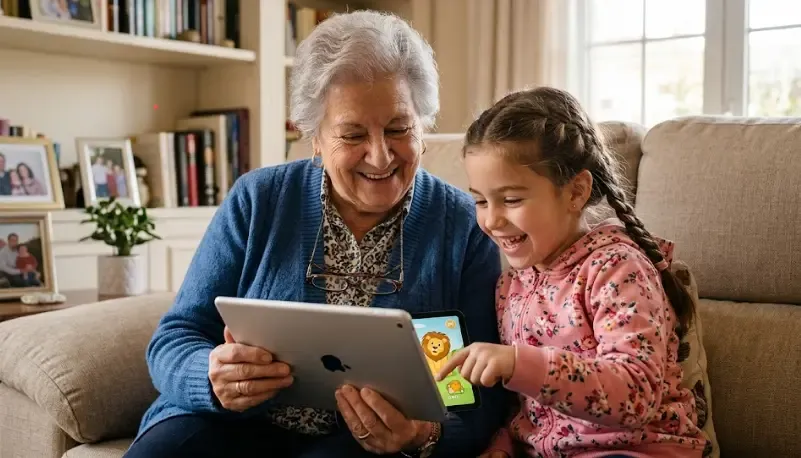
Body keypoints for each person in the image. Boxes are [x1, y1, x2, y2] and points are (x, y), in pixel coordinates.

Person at [125, 10, 506, 458]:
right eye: (352, 134)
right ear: (316, 138)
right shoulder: (259, 198)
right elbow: (177, 335)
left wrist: (421, 435)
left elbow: (483, 396)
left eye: (400, 128)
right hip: (225, 423)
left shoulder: (464, 224)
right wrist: (208, 375)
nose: (381, 156)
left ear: (423, 125)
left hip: (358, 447)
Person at [436, 87, 709, 458]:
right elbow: (525, 408)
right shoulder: (510, 287)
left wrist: (519, 363)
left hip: (639, 450)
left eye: (512, 199)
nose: (492, 219)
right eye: (481, 201)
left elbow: (635, 394)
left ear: (576, 192)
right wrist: (503, 445)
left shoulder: (618, 272)